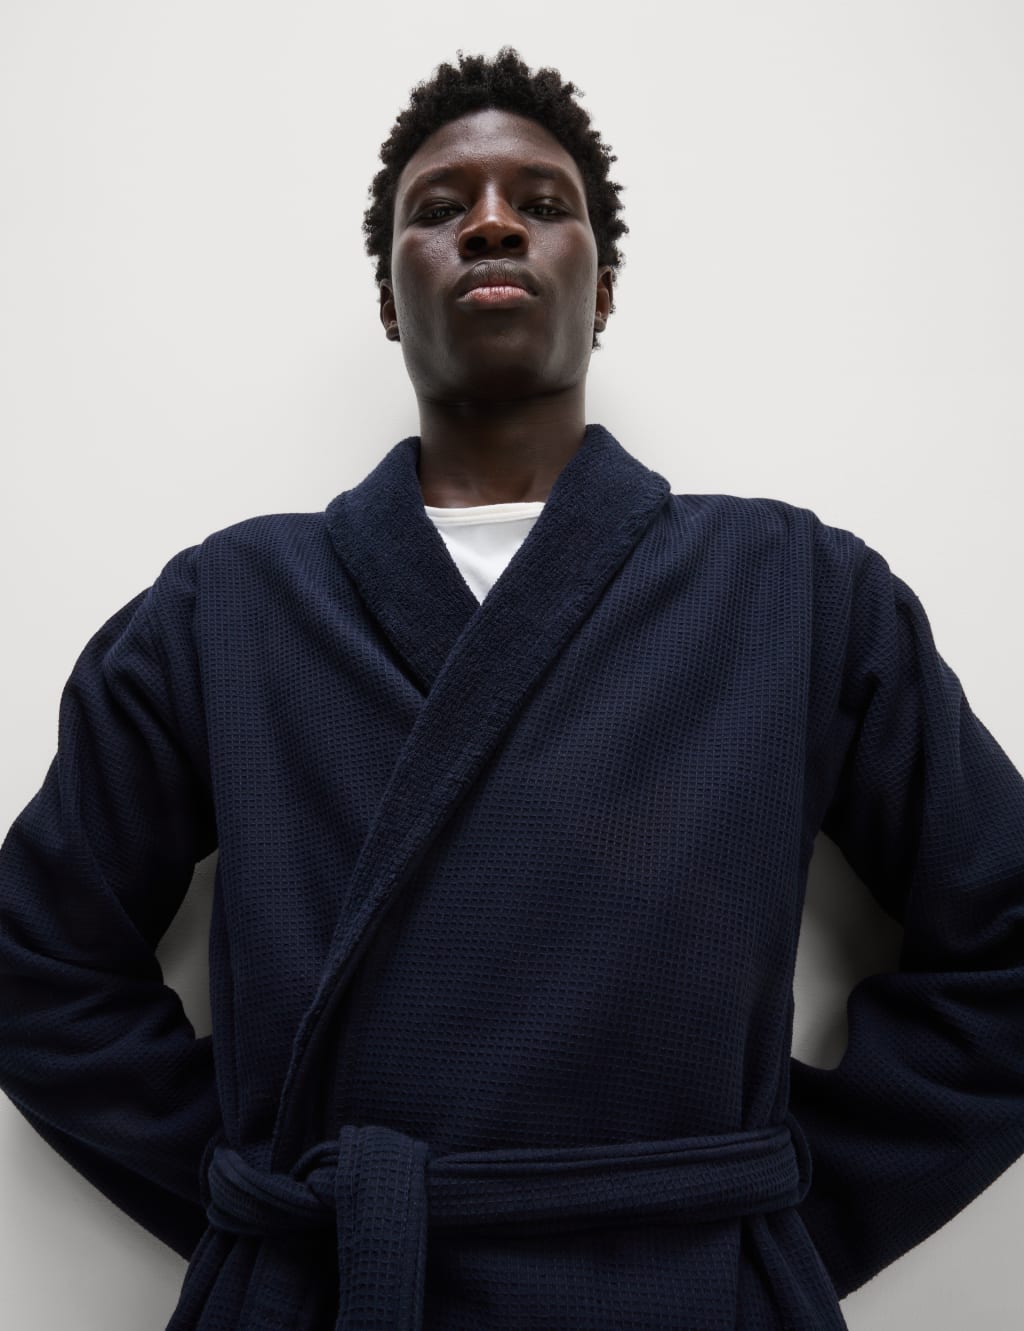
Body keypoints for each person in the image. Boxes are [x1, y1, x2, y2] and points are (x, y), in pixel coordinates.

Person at [1, 45, 1023, 1331]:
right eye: (438, 208)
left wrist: (760, 1223)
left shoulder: (798, 590)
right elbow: (38, 960)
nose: (491, 222)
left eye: (543, 203)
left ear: (603, 288)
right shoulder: (225, 607)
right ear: (390, 297)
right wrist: (281, 1217)